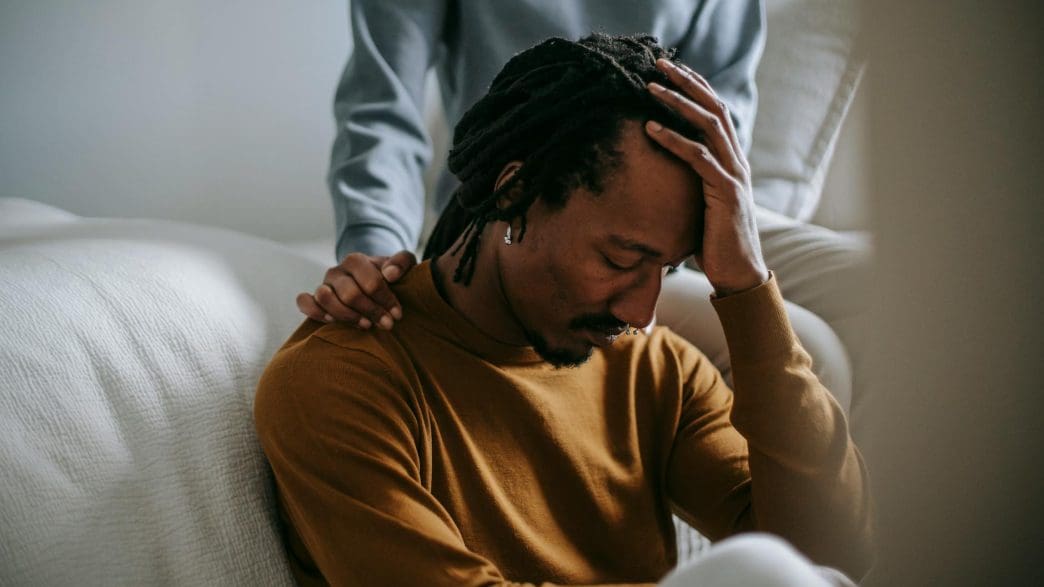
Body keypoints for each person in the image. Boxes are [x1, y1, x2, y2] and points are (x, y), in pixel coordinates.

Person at [256, 34, 873, 586]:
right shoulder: (342, 381)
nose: (642, 308)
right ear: (515, 190)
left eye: (668, 269)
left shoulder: (659, 370)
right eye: (619, 257)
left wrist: (746, 284)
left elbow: (833, 551)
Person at [297, 0, 865, 417]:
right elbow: (382, 105)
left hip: (676, 210)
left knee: (876, 291)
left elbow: (724, 106)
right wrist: (375, 249)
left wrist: (726, 248)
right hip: (527, 208)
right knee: (811, 348)